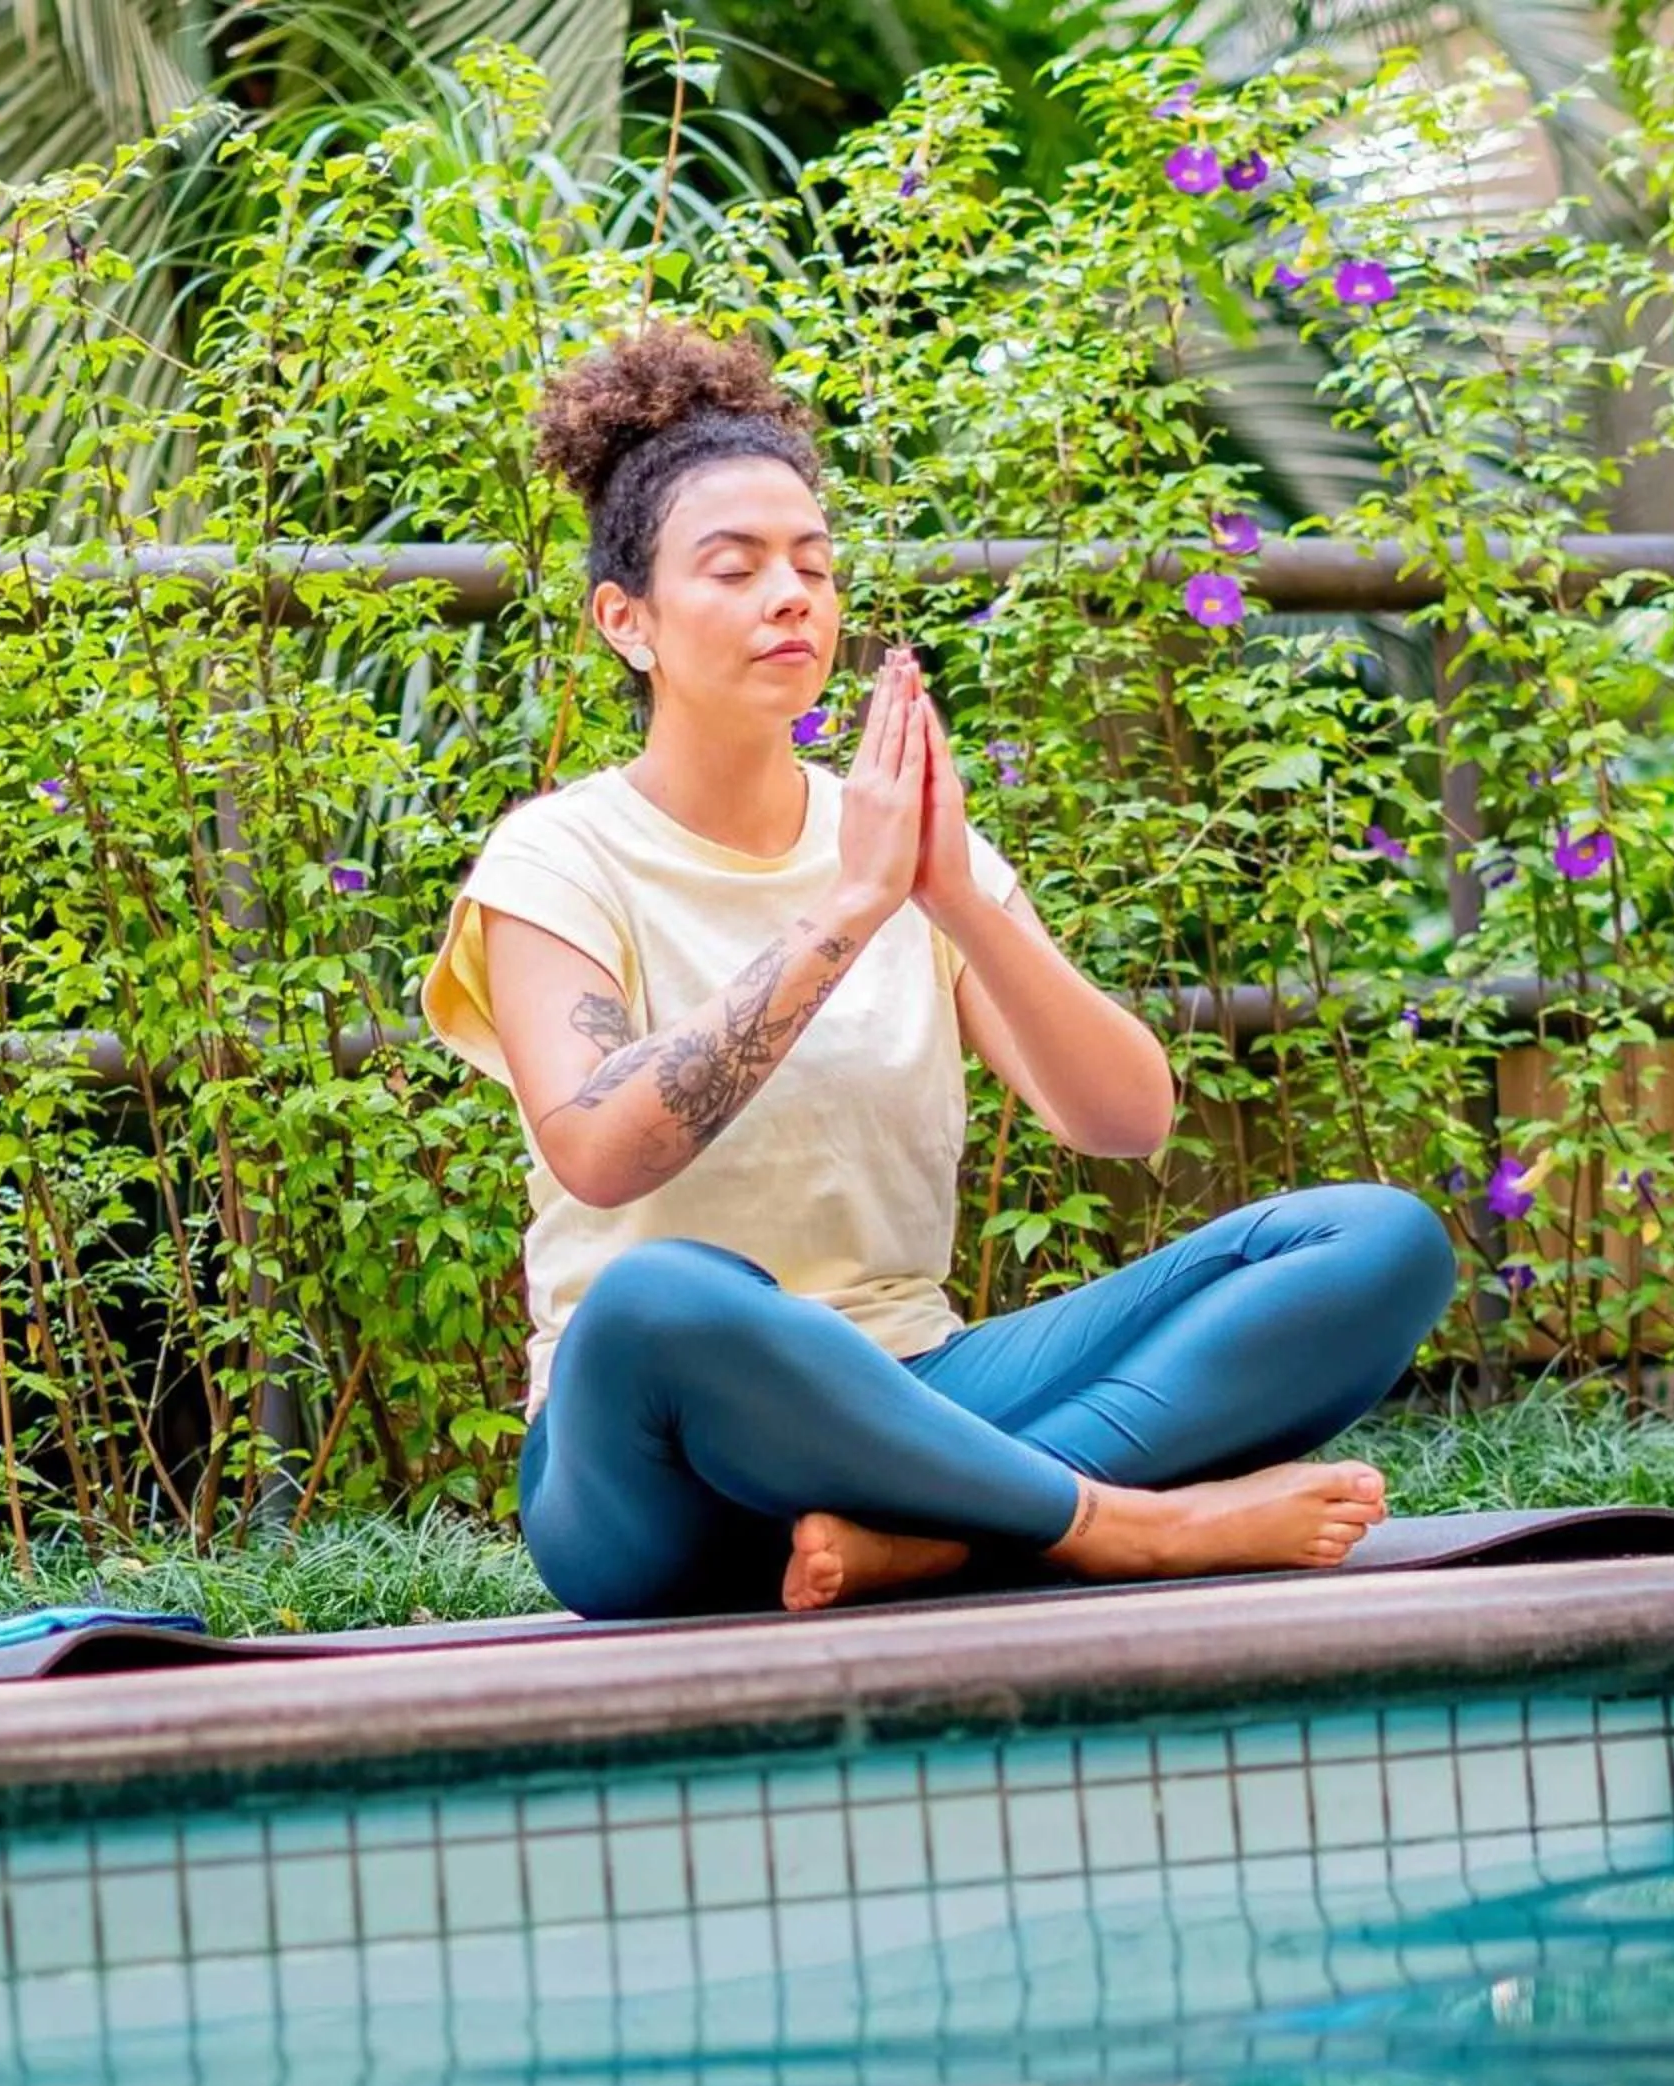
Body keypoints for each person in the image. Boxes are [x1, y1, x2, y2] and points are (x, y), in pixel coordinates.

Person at [417, 321, 1458, 1621]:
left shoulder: (901, 843)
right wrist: (850, 911)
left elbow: (1126, 1120)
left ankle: (940, 1535)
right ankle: (1107, 1523)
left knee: (1376, 1243)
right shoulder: (562, 857)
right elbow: (600, 1151)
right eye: (733, 570)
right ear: (626, 622)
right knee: (663, 1300)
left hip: (921, 1389)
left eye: (812, 563)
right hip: (655, 1472)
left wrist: (953, 893)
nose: (789, 594)